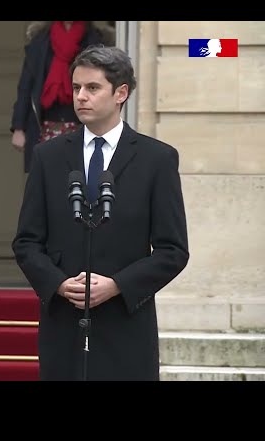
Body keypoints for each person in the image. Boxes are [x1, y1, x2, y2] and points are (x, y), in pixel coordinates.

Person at [12, 45, 189, 381]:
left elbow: (173, 250)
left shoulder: (157, 160)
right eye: (77, 87)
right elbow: (26, 242)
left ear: (120, 93)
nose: (81, 96)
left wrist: (118, 285)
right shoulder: (47, 157)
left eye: (92, 88)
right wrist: (60, 284)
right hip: (63, 326)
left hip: (126, 324)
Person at [10, 21, 102, 173]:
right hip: (46, 130)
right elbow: (26, 86)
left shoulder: (95, 41)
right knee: (47, 190)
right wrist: (19, 128)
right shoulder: (40, 41)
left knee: (79, 190)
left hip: (83, 130)